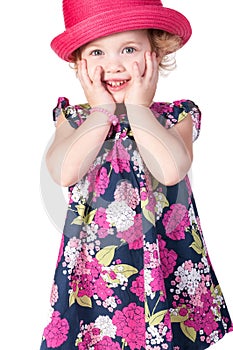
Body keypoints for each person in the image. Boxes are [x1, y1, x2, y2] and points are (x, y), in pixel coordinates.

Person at [39, 0, 233, 349]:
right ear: (80, 64)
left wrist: (139, 109)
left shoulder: (176, 116)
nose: (112, 64)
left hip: (165, 261)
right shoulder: (75, 118)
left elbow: (171, 169)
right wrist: (101, 111)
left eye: (128, 49)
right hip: (100, 267)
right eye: (96, 52)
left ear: (156, 53)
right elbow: (63, 172)